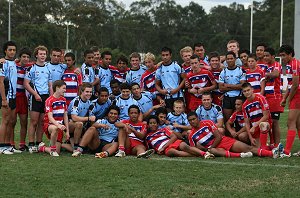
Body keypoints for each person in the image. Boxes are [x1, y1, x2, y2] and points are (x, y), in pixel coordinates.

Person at [187, 112, 280, 158]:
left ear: (197, 118)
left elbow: (218, 137)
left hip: (223, 141)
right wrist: (205, 151)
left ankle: (272, 153)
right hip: (215, 148)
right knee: (214, 151)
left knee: (249, 148)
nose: (192, 121)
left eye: (194, 119)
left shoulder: (207, 122)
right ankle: (240, 155)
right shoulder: (191, 135)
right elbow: (193, 148)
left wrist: (210, 148)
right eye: (190, 120)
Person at [24, 45, 53, 153]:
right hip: (35, 96)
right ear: (36, 55)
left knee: (41, 122)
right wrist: (35, 94)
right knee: (34, 121)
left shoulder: (48, 68)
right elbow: (26, 84)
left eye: (44, 54)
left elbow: (50, 85)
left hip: (45, 97)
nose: (42, 56)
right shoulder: (31, 68)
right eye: (40, 54)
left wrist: (51, 98)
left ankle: (39, 143)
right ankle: (31, 144)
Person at [146, 115, 212, 158]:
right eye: (150, 123)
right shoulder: (147, 137)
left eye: (154, 123)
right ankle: (199, 155)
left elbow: (174, 137)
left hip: (171, 143)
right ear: (148, 125)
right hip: (166, 149)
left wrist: (163, 147)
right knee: (172, 152)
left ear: (158, 124)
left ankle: (203, 153)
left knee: (184, 146)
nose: (153, 125)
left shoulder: (163, 129)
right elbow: (151, 149)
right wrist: (158, 150)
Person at [278, 45, 300, 157]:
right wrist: (284, 98)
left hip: (298, 95)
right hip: (295, 94)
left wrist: (289, 98)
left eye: (283, 55)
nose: (282, 58)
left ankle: (287, 151)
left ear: (290, 54)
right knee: (297, 124)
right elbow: (291, 85)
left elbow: (295, 85)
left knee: (290, 122)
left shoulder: (295, 63)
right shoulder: (289, 65)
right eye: (280, 55)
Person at [40, 80, 69, 156]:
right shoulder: (49, 100)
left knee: (58, 152)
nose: (65, 90)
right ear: (57, 88)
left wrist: (67, 131)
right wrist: (58, 125)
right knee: (55, 129)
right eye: (64, 88)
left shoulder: (64, 100)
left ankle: (42, 148)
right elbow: (50, 117)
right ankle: (52, 149)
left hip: (60, 126)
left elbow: (65, 116)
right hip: (50, 125)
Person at [12, 47, 32, 151]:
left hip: (24, 98)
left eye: (28, 57)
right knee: (12, 122)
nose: (25, 59)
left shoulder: (31, 67)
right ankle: (11, 143)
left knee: (24, 122)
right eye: (23, 56)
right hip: (14, 97)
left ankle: (22, 144)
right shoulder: (14, 65)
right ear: (19, 57)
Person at [241, 82, 272, 149]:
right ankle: (269, 147)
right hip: (255, 128)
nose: (247, 92)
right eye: (244, 91)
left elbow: (266, 116)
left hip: (265, 124)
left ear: (252, 89)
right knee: (242, 136)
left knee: (263, 124)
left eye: (248, 90)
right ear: (243, 93)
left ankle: (266, 146)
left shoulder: (261, 98)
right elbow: (246, 123)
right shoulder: (244, 105)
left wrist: (254, 126)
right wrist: (250, 138)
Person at [0, 41, 18, 154]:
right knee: (5, 121)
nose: (12, 52)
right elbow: (1, 82)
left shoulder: (14, 62)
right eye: (10, 50)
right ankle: (1, 147)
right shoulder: (3, 63)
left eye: (14, 50)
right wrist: (3, 99)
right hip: (6, 96)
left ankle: (7, 145)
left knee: (11, 121)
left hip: (13, 96)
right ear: (5, 51)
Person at [264, 47, 284, 146]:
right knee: (268, 121)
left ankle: (277, 144)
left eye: (267, 56)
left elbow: (275, 74)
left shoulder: (276, 64)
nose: (265, 57)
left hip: (275, 97)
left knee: (275, 122)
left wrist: (266, 74)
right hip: (266, 97)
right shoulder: (265, 66)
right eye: (264, 56)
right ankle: (272, 143)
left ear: (273, 56)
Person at [219, 51, 246, 123]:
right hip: (227, 98)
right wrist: (236, 86)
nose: (229, 60)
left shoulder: (240, 70)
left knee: (239, 121)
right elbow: (221, 88)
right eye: (228, 59)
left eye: (231, 58)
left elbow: (242, 86)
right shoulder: (223, 72)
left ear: (235, 59)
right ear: (226, 60)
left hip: (238, 98)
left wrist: (228, 86)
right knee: (228, 121)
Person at [67, 83, 95, 151]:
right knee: (79, 124)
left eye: (90, 92)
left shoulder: (90, 103)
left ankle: (65, 144)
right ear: (82, 91)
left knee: (85, 148)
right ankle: (76, 145)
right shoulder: (76, 101)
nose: (89, 94)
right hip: (69, 125)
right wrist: (88, 118)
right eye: (87, 92)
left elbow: (91, 119)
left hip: (80, 126)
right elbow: (74, 117)